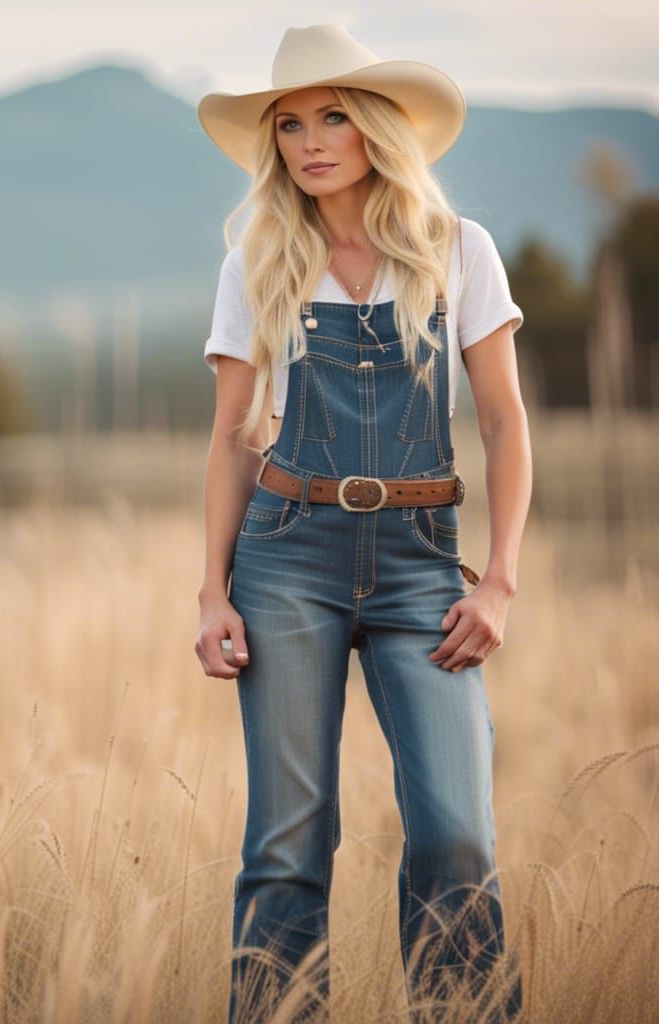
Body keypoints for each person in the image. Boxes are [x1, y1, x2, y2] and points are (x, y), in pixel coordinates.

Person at [193, 23, 532, 1024]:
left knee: (457, 835)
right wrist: (212, 591)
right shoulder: (256, 260)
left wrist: (499, 578)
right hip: (285, 557)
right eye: (289, 123)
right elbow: (231, 441)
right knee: (288, 840)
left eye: (332, 114)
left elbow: (507, 423)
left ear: (377, 125)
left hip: (424, 565)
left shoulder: (458, 252)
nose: (310, 140)